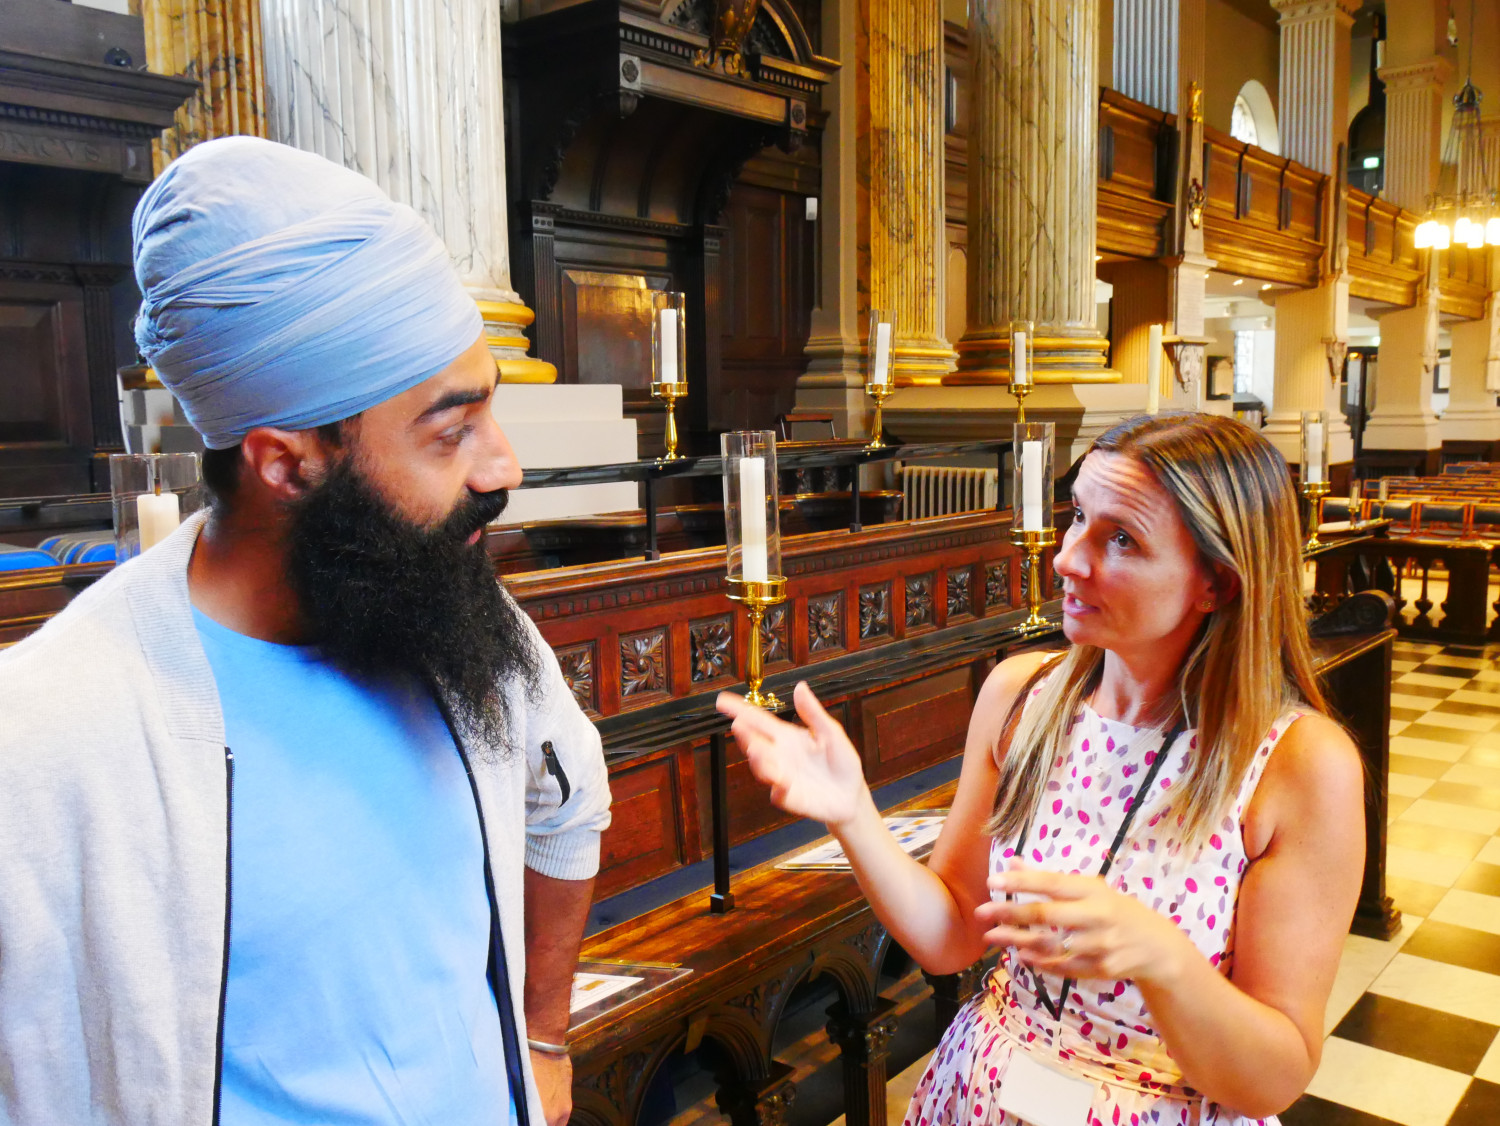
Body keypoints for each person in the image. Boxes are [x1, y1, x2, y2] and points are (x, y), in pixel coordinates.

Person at [0, 137, 611, 1126]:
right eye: (450, 430)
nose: (503, 468)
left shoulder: (444, 604)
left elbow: (565, 797)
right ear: (287, 462)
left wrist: (542, 1038)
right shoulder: (52, 728)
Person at [719, 413, 1364, 1125]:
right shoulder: (1024, 695)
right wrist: (853, 815)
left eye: (1121, 538)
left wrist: (1164, 963)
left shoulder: (1298, 764)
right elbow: (953, 935)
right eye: (1078, 516)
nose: (1068, 559)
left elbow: (1274, 1077)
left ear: (1216, 582)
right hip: (985, 1092)